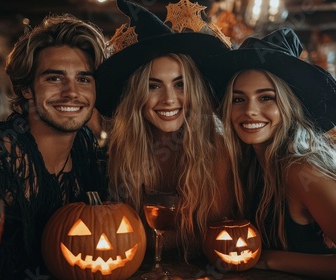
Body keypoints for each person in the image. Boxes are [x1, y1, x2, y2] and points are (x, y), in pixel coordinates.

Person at [207, 28, 336, 279]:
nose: (250, 111)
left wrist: (266, 259)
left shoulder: (301, 169)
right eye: (238, 100)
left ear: (288, 107)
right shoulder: (251, 164)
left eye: (266, 98)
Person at [0, 14, 107, 279]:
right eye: (54, 79)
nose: (72, 92)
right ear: (27, 89)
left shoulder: (84, 147)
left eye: (84, 79)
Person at [96, 0, 242, 261]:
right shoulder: (123, 146)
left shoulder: (217, 147)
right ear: (136, 96)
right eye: (154, 86)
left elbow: (213, 236)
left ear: (194, 91)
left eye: (179, 85)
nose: (169, 99)